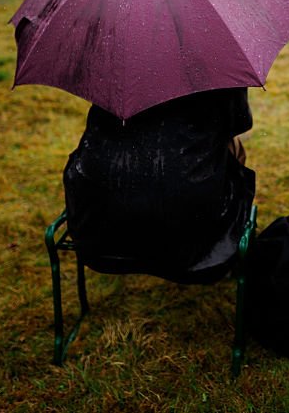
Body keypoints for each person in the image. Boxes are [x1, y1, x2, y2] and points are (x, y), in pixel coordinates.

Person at [63, 88, 255, 284]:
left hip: (97, 238)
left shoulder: (113, 66)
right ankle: (229, 247)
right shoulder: (217, 66)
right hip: (194, 246)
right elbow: (239, 122)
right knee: (233, 147)